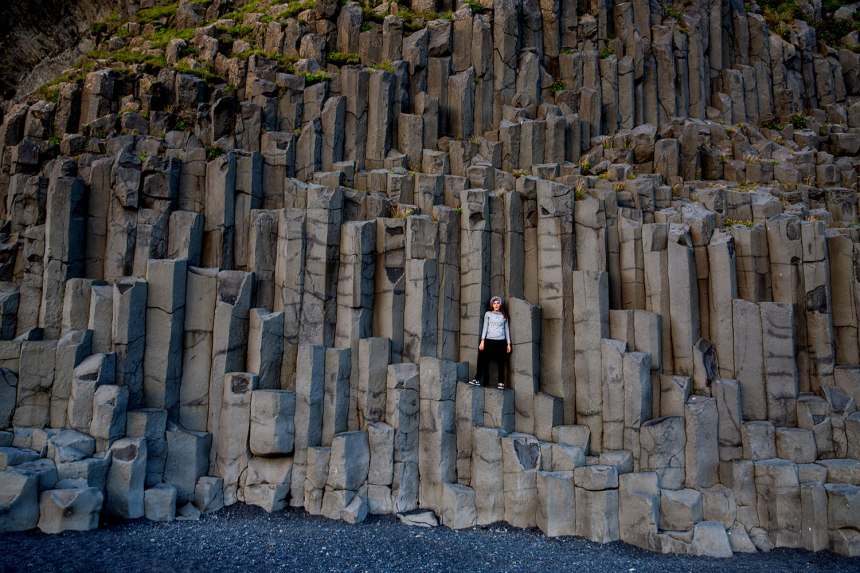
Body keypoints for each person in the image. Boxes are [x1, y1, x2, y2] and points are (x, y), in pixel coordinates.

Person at [469, 296, 511, 389]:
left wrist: (509, 344)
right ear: (492, 305)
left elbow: (507, 330)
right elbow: (485, 327)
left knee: (501, 362)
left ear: (500, 304)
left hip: (501, 342)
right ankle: (477, 379)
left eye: (498, 303)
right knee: (481, 359)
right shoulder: (488, 314)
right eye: (494, 303)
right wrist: (482, 341)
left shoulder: (504, 316)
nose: (496, 305)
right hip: (488, 341)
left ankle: (501, 382)